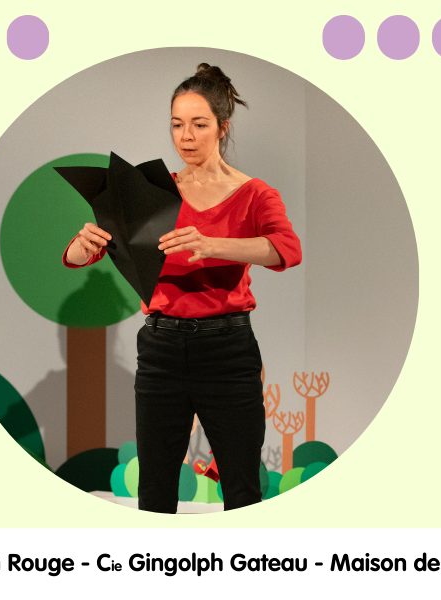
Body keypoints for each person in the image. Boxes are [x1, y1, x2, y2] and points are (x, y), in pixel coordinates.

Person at [63, 63, 302, 513]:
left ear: (223, 127)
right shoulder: (153, 192)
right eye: (176, 124)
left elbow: (287, 250)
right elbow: (81, 257)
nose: (185, 136)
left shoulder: (254, 194)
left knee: (243, 491)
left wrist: (212, 244)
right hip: (161, 351)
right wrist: (81, 246)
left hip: (227, 351)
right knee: (154, 492)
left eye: (199, 124)